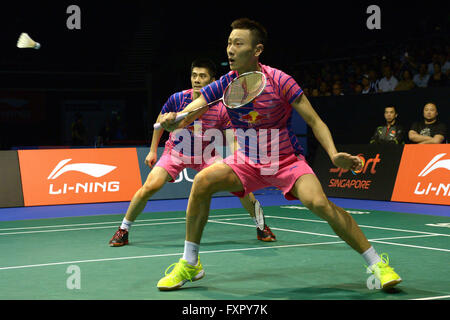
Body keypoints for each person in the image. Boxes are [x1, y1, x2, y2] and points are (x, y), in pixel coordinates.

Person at [157, 18, 402, 291]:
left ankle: (377, 263)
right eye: (229, 43)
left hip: (285, 161)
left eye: (238, 43)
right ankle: (190, 263)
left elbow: (315, 121)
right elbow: (192, 111)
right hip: (247, 161)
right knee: (203, 182)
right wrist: (173, 120)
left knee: (320, 204)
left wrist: (333, 155)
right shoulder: (224, 83)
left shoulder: (280, 80)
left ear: (257, 50)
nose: (230, 49)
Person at [108, 58, 276, 247]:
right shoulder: (178, 99)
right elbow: (160, 121)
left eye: (202, 76)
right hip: (176, 152)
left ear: (212, 81)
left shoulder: (222, 108)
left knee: (242, 188)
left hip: (207, 156)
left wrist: (239, 160)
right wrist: (153, 150)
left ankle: (262, 227)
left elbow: (233, 138)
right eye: (194, 75)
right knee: (150, 187)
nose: (196, 79)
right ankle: (123, 230)